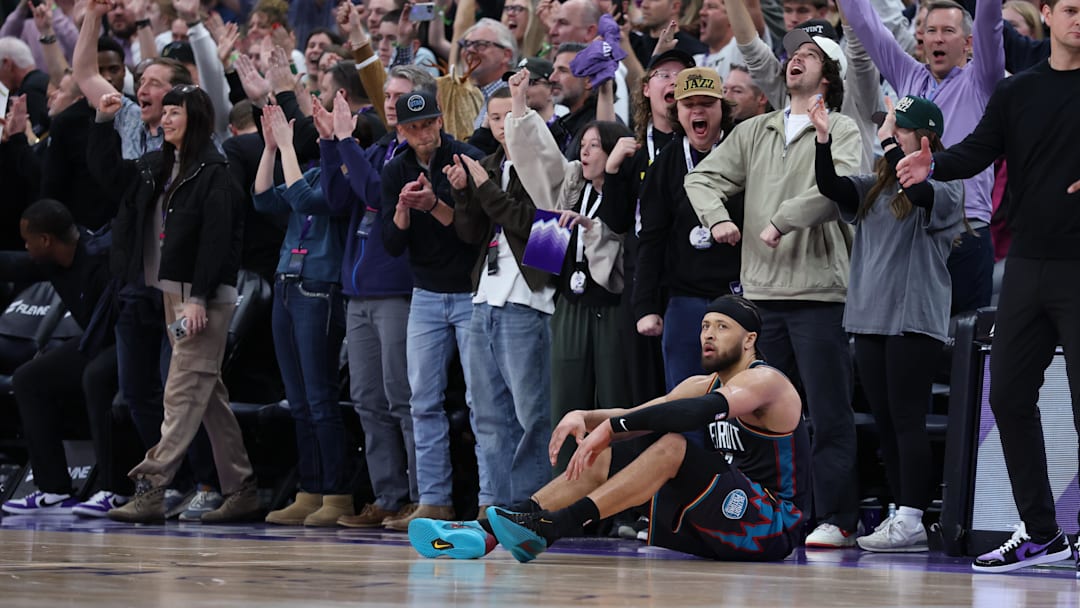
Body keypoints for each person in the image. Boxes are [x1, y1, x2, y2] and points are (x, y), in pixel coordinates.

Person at [406, 296, 810, 563]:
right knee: (607, 451)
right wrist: (587, 417)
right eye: (705, 325)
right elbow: (637, 414)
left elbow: (694, 413)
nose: (707, 334)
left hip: (771, 525)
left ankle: (554, 527)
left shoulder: (766, 382)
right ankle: (489, 531)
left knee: (672, 445)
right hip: (721, 518)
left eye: (722, 326)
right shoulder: (701, 381)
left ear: (749, 339)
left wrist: (614, 426)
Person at [895, 0, 1080, 574]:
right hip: (1026, 261)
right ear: (1048, 14)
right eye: (1072, 9)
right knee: (1006, 396)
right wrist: (935, 167)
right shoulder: (1017, 91)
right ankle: (1044, 532)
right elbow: (980, 149)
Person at [685, 29, 863, 549]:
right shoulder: (755, 129)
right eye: (792, 55)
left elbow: (840, 187)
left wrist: (782, 220)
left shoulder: (845, 129)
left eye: (808, 56)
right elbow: (702, 179)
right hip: (760, 298)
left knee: (828, 413)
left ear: (828, 76)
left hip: (818, 293)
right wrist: (717, 220)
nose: (794, 61)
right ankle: (769, 513)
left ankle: (837, 518)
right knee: (761, 417)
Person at [90, 84, 258, 525]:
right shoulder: (162, 165)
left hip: (200, 299)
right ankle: (241, 487)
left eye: (174, 112)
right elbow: (110, 178)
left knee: (181, 391)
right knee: (209, 397)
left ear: (196, 118)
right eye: (163, 112)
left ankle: (152, 485)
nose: (164, 119)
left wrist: (198, 298)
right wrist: (105, 123)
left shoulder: (215, 173)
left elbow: (219, 244)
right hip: (171, 293)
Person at [814, 94, 964, 552]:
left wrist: (895, 150)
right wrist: (822, 139)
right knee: (884, 421)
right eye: (887, 129)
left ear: (925, 137)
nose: (886, 136)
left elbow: (919, 193)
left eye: (896, 128)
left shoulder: (947, 183)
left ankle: (915, 516)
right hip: (870, 318)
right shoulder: (875, 185)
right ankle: (902, 511)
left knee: (906, 420)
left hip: (913, 320)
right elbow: (832, 188)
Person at [504, 67, 633, 475]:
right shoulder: (571, 186)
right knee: (565, 400)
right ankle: (567, 492)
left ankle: (619, 499)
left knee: (612, 401)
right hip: (569, 305)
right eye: (584, 144)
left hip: (611, 309)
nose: (586, 151)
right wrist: (520, 104)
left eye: (596, 146)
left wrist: (592, 227)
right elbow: (537, 157)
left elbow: (620, 246)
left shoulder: (621, 193)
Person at [841, 0, 1004, 315]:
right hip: (913, 226)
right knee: (916, 342)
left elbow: (990, 26)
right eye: (931, 30)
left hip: (965, 227)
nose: (938, 38)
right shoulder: (909, 75)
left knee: (964, 344)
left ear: (968, 43)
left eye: (948, 31)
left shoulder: (983, 80)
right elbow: (866, 25)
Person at [379, 89, 489, 530]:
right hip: (424, 293)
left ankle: (491, 499)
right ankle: (434, 499)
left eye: (428, 125)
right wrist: (406, 209)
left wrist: (436, 204)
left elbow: (472, 234)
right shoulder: (394, 170)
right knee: (421, 402)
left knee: (483, 402)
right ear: (401, 131)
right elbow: (390, 244)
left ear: (441, 121)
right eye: (412, 128)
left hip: (468, 292)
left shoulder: (467, 159)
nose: (423, 135)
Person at [450, 87, 556, 509]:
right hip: (483, 300)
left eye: (509, 116)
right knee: (487, 415)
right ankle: (489, 504)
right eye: (494, 118)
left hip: (532, 301)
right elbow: (470, 234)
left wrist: (484, 188)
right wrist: (463, 194)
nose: (501, 126)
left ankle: (530, 507)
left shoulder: (554, 171)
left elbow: (541, 239)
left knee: (532, 416)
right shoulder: (488, 167)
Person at [253, 103, 353, 527]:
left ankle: (338, 493)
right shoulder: (308, 170)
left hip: (319, 285)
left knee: (320, 397)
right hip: (287, 281)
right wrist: (271, 150)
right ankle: (309, 489)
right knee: (297, 400)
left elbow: (310, 200)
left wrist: (290, 149)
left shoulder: (345, 177)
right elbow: (262, 200)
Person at [0, 200, 127, 518]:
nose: (25, 247)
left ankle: (116, 490)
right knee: (28, 378)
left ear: (45, 240)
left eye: (28, 240)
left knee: (96, 376)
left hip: (130, 341)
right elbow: (14, 264)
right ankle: (54, 488)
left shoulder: (101, 260)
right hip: (96, 341)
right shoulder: (52, 259)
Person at [634, 67, 741, 391]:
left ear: (722, 108)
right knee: (684, 402)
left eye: (707, 103)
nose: (698, 111)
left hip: (737, 297)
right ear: (676, 113)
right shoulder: (665, 163)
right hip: (683, 299)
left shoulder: (743, 152)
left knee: (737, 403)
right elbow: (650, 239)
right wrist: (646, 306)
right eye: (688, 103)